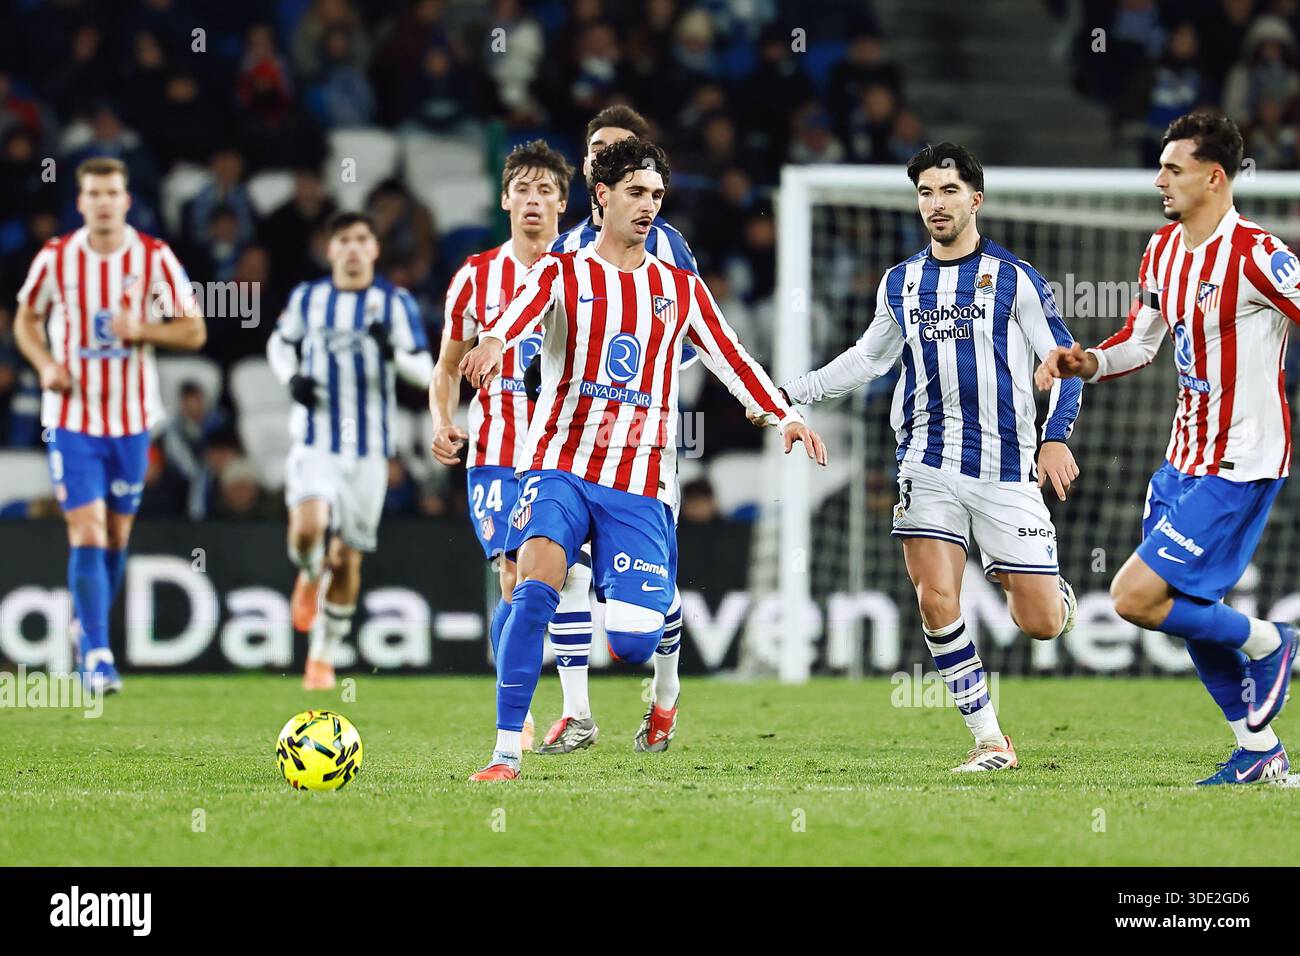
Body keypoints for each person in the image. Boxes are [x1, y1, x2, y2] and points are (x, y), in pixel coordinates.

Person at [458, 137, 826, 781]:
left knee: (630, 639)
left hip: (640, 478)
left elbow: (732, 355)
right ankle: (505, 752)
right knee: (533, 583)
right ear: (601, 197)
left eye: (657, 195)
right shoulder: (561, 271)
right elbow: (514, 317)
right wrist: (492, 342)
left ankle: (660, 690)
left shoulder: (679, 288)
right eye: (635, 192)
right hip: (560, 461)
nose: (648, 205)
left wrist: (784, 412)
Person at [764, 142, 1082, 772]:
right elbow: (868, 359)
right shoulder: (901, 282)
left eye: (948, 191)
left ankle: (1041, 584)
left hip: (1005, 468)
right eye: (926, 193)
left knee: (1041, 624)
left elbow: (1065, 364)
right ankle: (991, 741)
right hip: (926, 461)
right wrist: (785, 392)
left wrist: (1055, 435)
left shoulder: (1015, 280)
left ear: (975, 199)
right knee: (937, 600)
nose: (936, 204)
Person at [1036, 112, 1298, 785]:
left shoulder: (1258, 254)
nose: (1159, 179)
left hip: (1240, 460)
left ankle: (1273, 642)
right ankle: (1259, 752)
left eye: (1173, 169)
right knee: (1179, 614)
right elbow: (1141, 342)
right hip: (1181, 457)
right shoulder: (1163, 250)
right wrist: (1085, 361)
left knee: (1132, 597)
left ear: (1214, 178)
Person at [533, 103, 699, 755]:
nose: (608, 155)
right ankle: (577, 713)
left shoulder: (668, 248)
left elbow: (694, 339)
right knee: (566, 571)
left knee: (655, 595)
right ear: (589, 169)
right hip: (573, 444)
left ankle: (665, 699)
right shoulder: (568, 249)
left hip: (646, 450)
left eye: (623, 149)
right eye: (598, 149)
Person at [13, 157, 206, 692]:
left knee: (116, 537)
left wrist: (141, 328)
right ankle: (97, 651)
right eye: (93, 193)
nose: (102, 201)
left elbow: (193, 331)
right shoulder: (56, 258)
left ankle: (85, 626)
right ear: (80, 202)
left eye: (112, 192)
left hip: (131, 420)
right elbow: (26, 318)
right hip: (71, 420)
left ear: (126, 200)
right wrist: (47, 364)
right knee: (89, 530)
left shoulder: (152, 256)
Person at [430, 139, 579, 752]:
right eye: (523, 189)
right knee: (513, 575)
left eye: (546, 190)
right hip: (495, 450)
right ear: (504, 200)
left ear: (564, 204)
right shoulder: (475, 276)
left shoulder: (583, 272)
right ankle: (514, 716)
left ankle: (581, 709)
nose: (534, 201)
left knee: (561, 584)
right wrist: (442, 420)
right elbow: (446, 366)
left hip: (569, 453)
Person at [267, 212, 433, 690]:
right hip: (316, 438)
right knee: (308, 530)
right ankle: (305, 571)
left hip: (369, 450)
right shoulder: (308, 298)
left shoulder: (395, 303)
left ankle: (321, 657)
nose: (355, 248)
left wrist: (392, 354)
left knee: (347, 558)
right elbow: (279, 345)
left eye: (363, 239)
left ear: (375, 250)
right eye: (345, 240)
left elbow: (426, 372)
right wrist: (291, 378)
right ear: (330, 248)